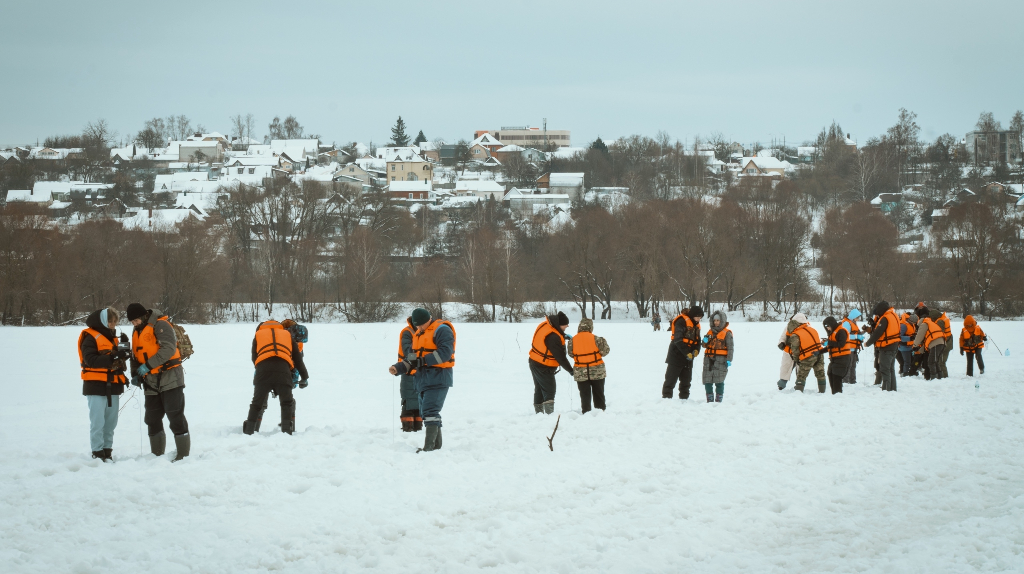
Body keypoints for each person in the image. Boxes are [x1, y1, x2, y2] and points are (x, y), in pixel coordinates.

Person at [127, 304, 191, 461]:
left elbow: (168, 349)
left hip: (171, 378)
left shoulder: (161, 324)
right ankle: (156, 455)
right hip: (150, 381)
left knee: (175, 416)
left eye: (135, 320)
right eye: (132, 322)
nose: (134, 324)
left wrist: (147, 366)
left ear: (143, 316)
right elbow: (135, 355)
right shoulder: (137, 330)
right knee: (152, 418)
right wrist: (135, 373)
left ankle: (183, 456)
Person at [390, 308, 455, 452]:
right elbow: (412, 358)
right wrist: (398, 368)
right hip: (423, 379)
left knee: (430, 411)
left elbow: (445, 353)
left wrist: (423, 361)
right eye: (417, 326)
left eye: (420, 325)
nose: (418, 328)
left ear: (428, 320)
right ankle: (436, 446)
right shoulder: (418, 334)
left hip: (439, 377)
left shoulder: (442, 330)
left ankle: (429, 448)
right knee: (427, 412)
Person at [243, 318, 308, 436]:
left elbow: (255, 357)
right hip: (283, 372)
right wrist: (303, 378)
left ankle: (249, 432)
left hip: (263, 371)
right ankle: (287, 432)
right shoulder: (286, 336)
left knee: (257, 403)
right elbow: (298, 361)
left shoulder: (261, 335)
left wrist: (260, 371)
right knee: (287, 402)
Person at [79, 307, 129, 461]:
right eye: (109, 321)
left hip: (113, 384)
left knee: (111, 422)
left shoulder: (114, 338)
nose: (112, 324)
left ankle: (107, 450)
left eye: (114, 321)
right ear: (101, 321)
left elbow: (118, 361)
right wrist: (113, 357)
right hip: (95, 385)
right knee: (98, 422)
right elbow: (91, 360)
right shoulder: (90, 337)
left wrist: (124, 349)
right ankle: (97, 451)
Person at [528, 312, 573, 414]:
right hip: (543, 366)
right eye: (566, 325)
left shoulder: (547, 325)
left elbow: (554, 333)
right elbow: (560, 357)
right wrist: (571, 370)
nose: (567, 326)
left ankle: (539, 415)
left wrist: (563, 336)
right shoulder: (553, 337)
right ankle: (549, 416)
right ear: (559, 324)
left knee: (539, 389)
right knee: (549, 390)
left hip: (534, 361)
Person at [567, 318, 610, 413]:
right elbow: (605, 351)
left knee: (584, 395)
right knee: (599, 393)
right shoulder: (597, 339)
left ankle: (586, 412)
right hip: (597, 372)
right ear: (591, 327)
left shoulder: (572, 341)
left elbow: (570, 354)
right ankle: (600, 412)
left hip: (580, 372)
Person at [663, 306, 703, 399]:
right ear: (692, 315)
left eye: (700, 317)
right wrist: (686, 353)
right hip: (676, 354)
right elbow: (678, 340)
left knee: (686, 381)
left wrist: (696, 350)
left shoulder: (696, 325)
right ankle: (666, 399)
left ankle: (684, 400)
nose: (698, 319)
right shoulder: (681, 321)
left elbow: (698, 341)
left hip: (689, 357)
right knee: (670, 380)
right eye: (697, 317)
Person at [782, 313, 825, 392]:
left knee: (801, 375)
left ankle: (799, 391)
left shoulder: (796, 334)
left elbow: (795, 350)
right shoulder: (812, 329)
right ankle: (822, 391)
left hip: (808, 356)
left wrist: (797, 359)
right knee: (820, 373)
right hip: (819, 354)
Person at [863, 301, 901, 392]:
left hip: (886, 347)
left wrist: (868, 343)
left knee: (885, 369)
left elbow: (877, 333)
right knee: (891, 369)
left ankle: (886, 390)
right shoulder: (894, 315)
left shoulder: (885, 318)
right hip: (894, 345)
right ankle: (892, 389)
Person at [396, 316, 422, 432]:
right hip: (408, 370)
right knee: (408, 400)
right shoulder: (407, 332)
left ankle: (418, 428)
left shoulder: (424, 332)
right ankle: (407, 429)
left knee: (419, 400)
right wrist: (420, 358)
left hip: (421, 371)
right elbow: (408, 352)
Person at [701, 311, 733, 402]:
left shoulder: (727, 333)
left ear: (722, 321)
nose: (716, 322)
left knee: (719, 381)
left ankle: (719, 400)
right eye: (714, 320)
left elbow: (730, 348)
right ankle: (709, 399)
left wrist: (729, 359)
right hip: (708, 359)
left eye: (718, 320)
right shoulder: (710, 332)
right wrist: (705, 341)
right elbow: (703, 345)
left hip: (721, 360)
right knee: (707, 380)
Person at [912, 305, 945, 381]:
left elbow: (919, 336)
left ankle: (934, 378)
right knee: (936, 362)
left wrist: (914, 345)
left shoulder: (924, 324)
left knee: (931, 362)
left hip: (936, 343)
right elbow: (925, 341)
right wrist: (919, 349)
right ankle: (940, 378)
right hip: (941, 342)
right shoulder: (931, 323)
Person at [822, 316, 852, 394]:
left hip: (843, 358)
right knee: (830, 374)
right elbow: (830, 347)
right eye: (826, 327)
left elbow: (841, 344)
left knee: (836, 376)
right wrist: (818, 352)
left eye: (828, 326)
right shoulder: (832, 333)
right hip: (834, 359)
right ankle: (834, 394)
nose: (827, 328)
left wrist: (828, 342)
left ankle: (838, 395)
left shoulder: (841, 331)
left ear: (832, 324)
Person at [839, 309, 863, 385]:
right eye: (857, 317)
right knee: (848, 366)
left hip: (854, 348)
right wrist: (856, 337)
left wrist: (861, 336)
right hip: (848, 348)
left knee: (853, 365)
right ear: (853, 316)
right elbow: (844, 336)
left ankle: (852, 381)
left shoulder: (853, 323)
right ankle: (846, 381)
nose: (858, 319)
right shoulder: (846, 323)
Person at [776, 316, 799, 390]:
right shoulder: (788, 327)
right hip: (789, 352)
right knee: (785, 368)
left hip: (800, 352)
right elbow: (783, 337)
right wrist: (781, 343)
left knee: (800, 370)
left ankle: (799, 386)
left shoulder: (805, 327)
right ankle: (781, 385)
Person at [896, 312, 916, 376]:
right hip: (904, 347)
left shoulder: (911, 325)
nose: (914, 324)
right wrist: (910, 338)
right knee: (907, 361)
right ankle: (905, 373)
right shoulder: (903, 326)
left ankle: (910, 372)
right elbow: (899, 337)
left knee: (910, 361)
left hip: (910, 346)